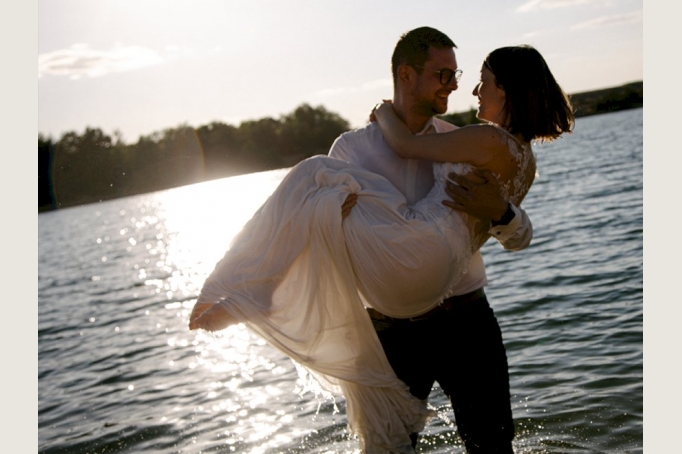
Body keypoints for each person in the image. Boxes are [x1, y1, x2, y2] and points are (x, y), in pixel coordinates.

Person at [188, 36, 574, 454]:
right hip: (393, 324)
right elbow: (326, 235)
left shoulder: (462, 138)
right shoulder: (352, 150)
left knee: (492, 443)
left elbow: (515, 232)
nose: (458, 87)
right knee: (388, 448)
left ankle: (255, 292)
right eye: (444, 75)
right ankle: (259, 292)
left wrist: (502, 212)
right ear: (406, 75)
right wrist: (331, 215)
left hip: (464, 317)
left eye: (462, 77)